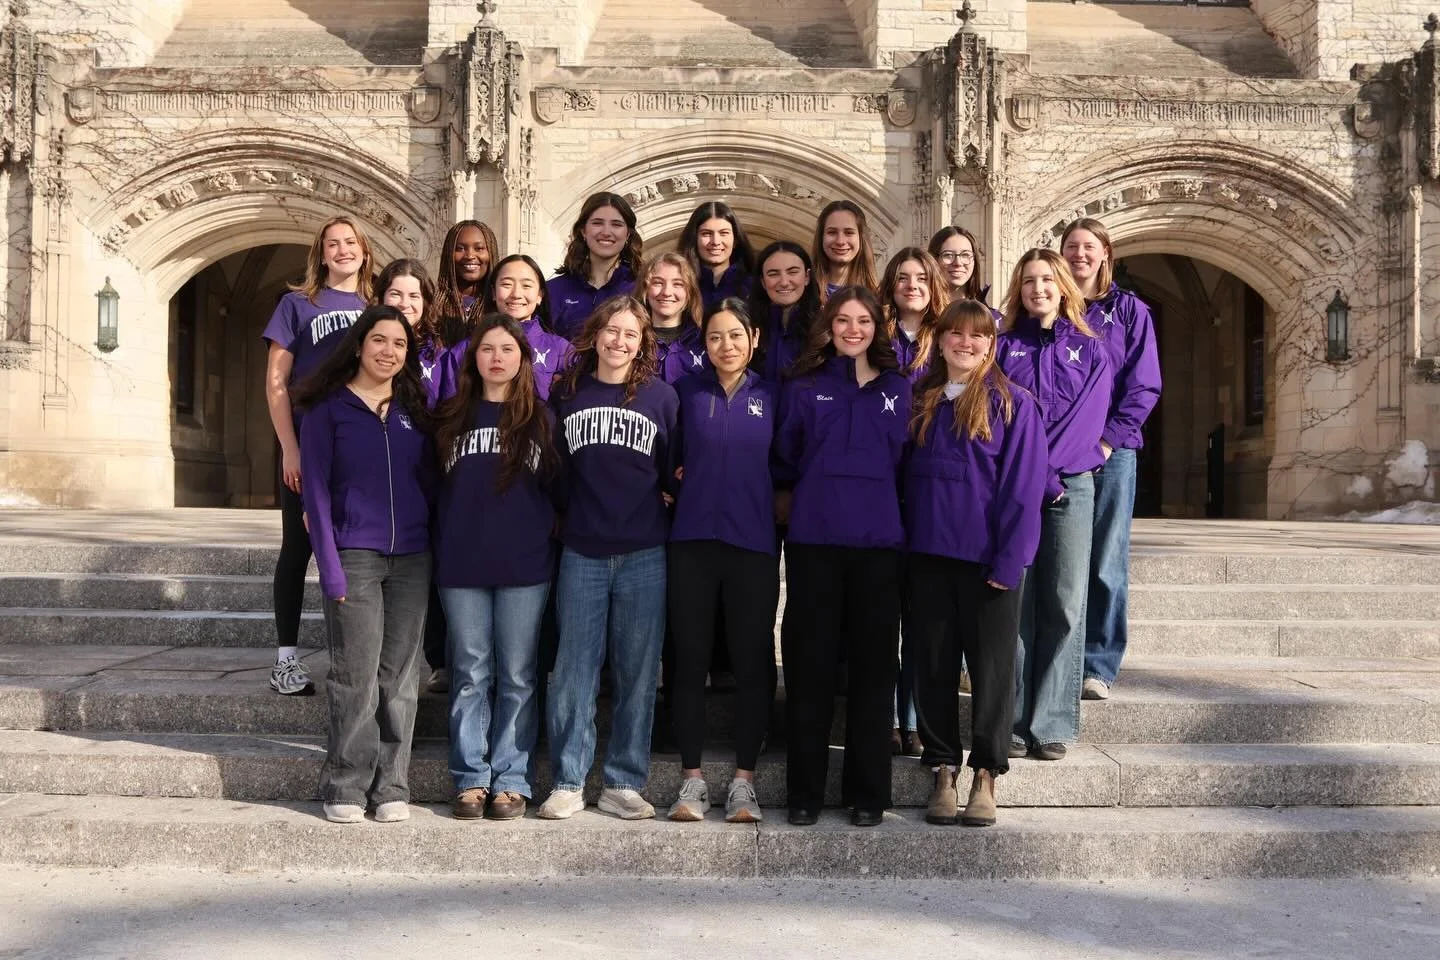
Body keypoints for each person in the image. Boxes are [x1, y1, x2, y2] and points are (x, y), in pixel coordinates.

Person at [905, 299, 1047, 827]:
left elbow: (1023, 490)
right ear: (939, 340)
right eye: (956, 334)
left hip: (988, 561)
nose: (966, 343)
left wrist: (1009, 561)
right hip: (927, 558)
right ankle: (943, 767)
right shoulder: (921, 398)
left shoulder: (1014, 405)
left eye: (978, 336)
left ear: (991, 345)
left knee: (991, 672)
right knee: (933, 666)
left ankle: (986, 774)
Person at [292, 304, 436, 824]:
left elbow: (432, 483)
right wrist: (329, 567)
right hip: (355, 555)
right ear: (359, 344)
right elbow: (316, 495)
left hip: (414, 558)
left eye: (399, 344)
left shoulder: (415, 410)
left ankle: (392, 785)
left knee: (398, 678)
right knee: (355, 674)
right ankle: (346, 786)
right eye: (379, 340)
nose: (388, 351)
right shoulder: (326, 411)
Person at [539, 296, 679, 821]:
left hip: (645, 551)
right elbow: (555, 471)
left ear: (643, 343)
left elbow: (670, 473)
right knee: (573, 669)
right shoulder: (567, 393)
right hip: (582, 549)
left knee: (638, 671)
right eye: (611, 331)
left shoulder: (662, 399)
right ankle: (569, 780)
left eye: (630, 334)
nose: (619, 342)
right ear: (595, 334)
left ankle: (622, 780)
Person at [774, 287, 910, 827]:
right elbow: (785, 457)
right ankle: (804, 793)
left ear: (878, 328)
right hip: (815, 543)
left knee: (875, 674)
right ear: (827, 326)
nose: (853, 329)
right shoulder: (804, 387)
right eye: (843, 320)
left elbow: (907, 464)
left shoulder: (900, 390)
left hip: (879, 547)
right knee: (809, 670)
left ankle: (868, 793)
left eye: (863, 321)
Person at [432, 314, 560, 822]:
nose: (497, 357)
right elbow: (432, 490)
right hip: (461, 563)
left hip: (525, 566)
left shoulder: (542, 419)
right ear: (474, 357)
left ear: (523, 359)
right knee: (469, 672)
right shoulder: (449, 418)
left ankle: (511, 778)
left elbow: (558, 490)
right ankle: (470, 777)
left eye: (508, 349)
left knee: (518, 675)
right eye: (488, 348)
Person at [665, 299, 780, 824]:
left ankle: (743, 782)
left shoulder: (774, 396)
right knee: (687, 659)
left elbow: (788, 465)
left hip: (752, 544)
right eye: (715, 337)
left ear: (753, 338)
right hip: (691, 543)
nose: (726, 346)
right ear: (703, 343)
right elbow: (666, 459)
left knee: (753, 661)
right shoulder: (685, 392)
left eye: (736, 335)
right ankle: (691, 782)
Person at [996, 249, 1113, 762]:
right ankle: (1015, 721)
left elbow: (1086, 422)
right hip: (1017, 486)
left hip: (1072, 486)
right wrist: (1035, 476)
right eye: (1028, 281)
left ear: (1064, 285)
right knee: (1017, 605)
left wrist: (1051, 475)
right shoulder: (1003, 348)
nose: (1037, 289)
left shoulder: (1091, 349)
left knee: (1065, 602)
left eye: (1046, 279)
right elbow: (999, 416)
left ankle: (1052, 721)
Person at [262, 216, 372, 696]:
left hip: (361, 449)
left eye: (350, 242)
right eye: (333, 243)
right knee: (298, 546)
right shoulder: (297, 305)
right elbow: (276, 382)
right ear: (321, 253)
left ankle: (349, 658)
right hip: (308, 446)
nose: (343, 250)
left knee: (353, 553)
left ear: (364, 251)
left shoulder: (376, 307)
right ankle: (285, 660)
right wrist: (289, 445)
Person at [1060, 218, 1162, 701]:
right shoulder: (1050, 305)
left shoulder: (1129, 312)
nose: (1079, 254)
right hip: (1056, 452)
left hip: (1111, 451)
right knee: (1054, 559)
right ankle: (1054, 659)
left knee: (1104, 558)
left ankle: (1097, 663)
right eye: (1071, 247)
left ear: (1105, 254)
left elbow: (1144, 385)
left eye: (1088, 247)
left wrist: (1108, 440)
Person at [878, 246, 949, 757]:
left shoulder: (946, 337)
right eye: (902, 278)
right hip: (881, 484)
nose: (911, 286)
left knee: (923, 614)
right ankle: (886, 715)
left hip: (928, 483)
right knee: (885, 613)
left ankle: (915, 716)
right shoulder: (876, 337)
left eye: (921, 277)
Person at [547, 192, 644, 341]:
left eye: (616, 224)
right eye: (597, 223)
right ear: (583, 231)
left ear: (628, 235)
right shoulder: (553, 290)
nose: (606, 232)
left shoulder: (641, 288)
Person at [482, 253, 574, 402]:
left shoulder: (561, 350)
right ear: (493, 292)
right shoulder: (470, 348)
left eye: (526, 286)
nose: (516, 294)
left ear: (539, 295)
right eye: (506, 284)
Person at [748, 241, 823, 383]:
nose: (784, 282)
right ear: (763, 282)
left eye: (793, 272)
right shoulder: (746, 326)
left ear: (807, 277)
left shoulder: (825, 327)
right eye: (773, 274)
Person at [677, 201, 757, 309]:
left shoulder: (755, 287)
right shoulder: (678, 286)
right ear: (694, 239)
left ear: (735, 240)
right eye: (706, 233)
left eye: (724, 233)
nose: (715, 241)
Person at [434, 220, 499, 346]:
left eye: (479, 248)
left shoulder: (500, 306)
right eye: (460, 248)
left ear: (491, 253)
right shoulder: (432, 308)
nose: (470, 255)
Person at [812, 200, 879, 299]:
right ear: (821, 237)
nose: (840, 241)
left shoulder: (878, 298)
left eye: (849, 232)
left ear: (861, 238)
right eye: (832, 232)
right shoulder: (804, 293)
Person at [928, 226, 989, 304]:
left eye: (965, 255)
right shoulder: (919, 313)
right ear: (934, 260)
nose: (958, 263)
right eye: (948, 255)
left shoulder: (990, 315)